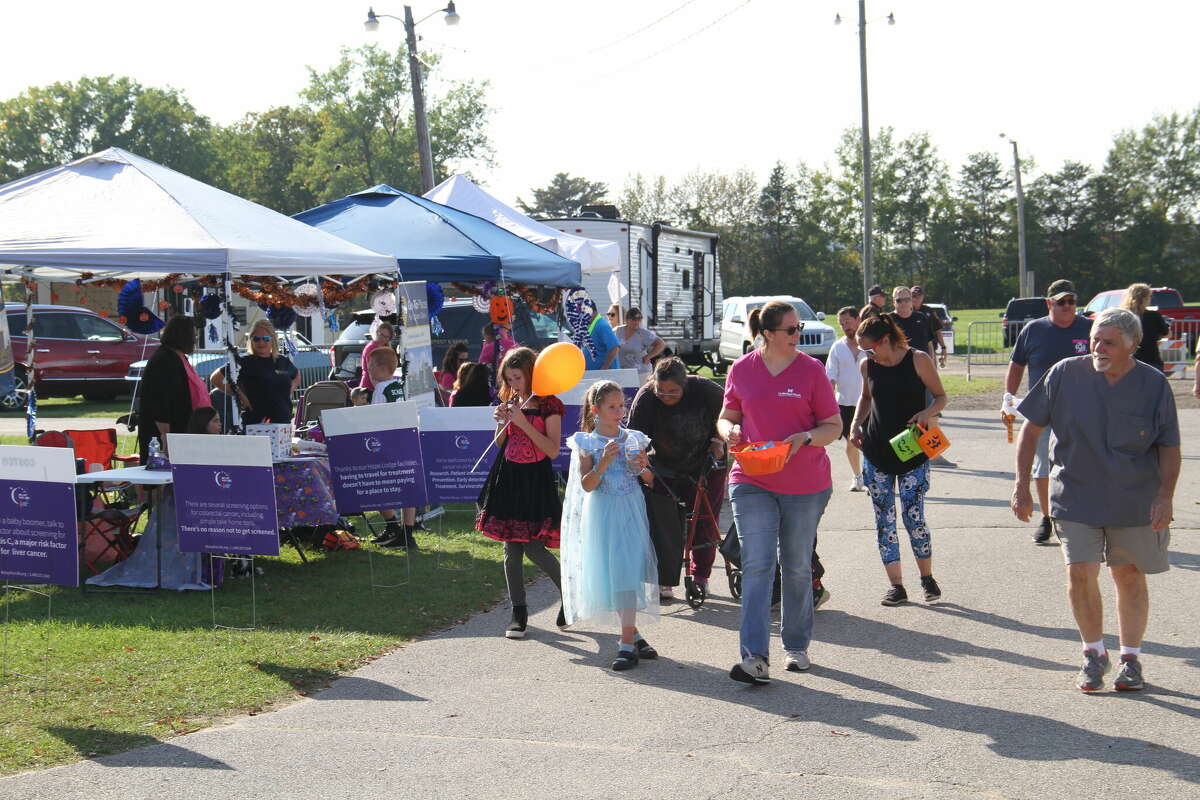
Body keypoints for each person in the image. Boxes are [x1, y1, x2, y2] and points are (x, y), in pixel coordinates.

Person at [1011, 308, 1180, 692]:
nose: (1098, 348)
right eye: (1095, 340)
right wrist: (1021, 484)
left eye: (1109, 343)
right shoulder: (1065, 374)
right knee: (1079, 571)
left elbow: (1169, 447)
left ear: (1132, 345)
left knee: (1128, 574)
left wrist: (1165, 497)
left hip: (1133, 498)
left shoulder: (1153, 384)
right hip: (1075, 495)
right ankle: (1093, 653)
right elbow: (1031, 428)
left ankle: (1131, 657)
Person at [719, 300, 841, 684]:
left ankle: (796, 645)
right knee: (757, 564)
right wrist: (730, 433)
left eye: (799, 327)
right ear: (768, 334)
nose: (797, 335)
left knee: (795, 564)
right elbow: (726, 416)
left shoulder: (811, 370)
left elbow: (833, 426)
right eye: (790, 330)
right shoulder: (742, 370)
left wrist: (805, 436)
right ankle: (754, 656)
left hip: (805, 484)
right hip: (751, 477)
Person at [850, 313, 948, 607]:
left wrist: (926, 414)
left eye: (869, 348)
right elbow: (866, 398)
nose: (865, 354)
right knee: (884, 519)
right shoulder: (867, 364)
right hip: (876, 450)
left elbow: (941, 396)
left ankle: (927, 578)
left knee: (913, 515)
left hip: (912, 449)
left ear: (885, 340)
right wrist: (856, 424)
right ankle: (896, 586)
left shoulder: (917, 360)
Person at [562, 380, 660, 671]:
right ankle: (632, 636)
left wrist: (641, 465)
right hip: (603, 512)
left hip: (630, 509)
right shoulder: (586, 442)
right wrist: (602, 463)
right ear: (597, 410)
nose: (620, 411)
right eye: (612, 407)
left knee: (627, 571)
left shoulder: (634, 438)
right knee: (616, 573)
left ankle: (628, 641)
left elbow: (650, 480)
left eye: (622, 405)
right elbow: (587, 485)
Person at [476, 347, 567, 638]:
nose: (513, 384)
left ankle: (570, 594)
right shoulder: (511, 399)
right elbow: (501, 443)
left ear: (530, 373)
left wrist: (524, 423)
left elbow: (552, 449)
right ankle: (519, 611)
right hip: (508, 476)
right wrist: (502, 421)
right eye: (509, 379)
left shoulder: (549, 405)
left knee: (533, 546)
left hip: (535, 479)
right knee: (510, 548)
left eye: (517, 377)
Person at [629, 357, 726, 601]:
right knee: (665, 523)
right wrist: (642, 466)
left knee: (705, 519)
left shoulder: (707, 391)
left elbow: (731, 414)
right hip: (664, 467)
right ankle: (665, 578)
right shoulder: (647, 397)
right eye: (661, 390)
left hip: (706, 463)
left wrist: (718, 441)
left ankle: (701, 576)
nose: (666, 396)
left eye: (673, 392)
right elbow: (634, 437)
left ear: (685, 385)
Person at [1006, 279, 1093, 545]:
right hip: (1043, 410)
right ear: (1049, 303)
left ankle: (1084, 517)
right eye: (1061, 302)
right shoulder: (1034, 330)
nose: (1068, 307)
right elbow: (1016, 365)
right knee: (1042, 466)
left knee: (1084, 464)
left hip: (1083, 409)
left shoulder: (1089, 328)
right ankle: (1048, 516)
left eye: (1072, 302)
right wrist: (1008, 399)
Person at [363, 347, 418, 548]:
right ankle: (407, 533)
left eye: (369, 367)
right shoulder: (401, 385)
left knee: (378, 486)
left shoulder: (381, 389)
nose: (367, 371)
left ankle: (393, 526)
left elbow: (375, 418)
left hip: (387, 444)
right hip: (406, 440)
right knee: (407, 488)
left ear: (382, 367)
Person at [138, 315, 208, 462]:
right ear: (184, 336)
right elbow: (159, 400)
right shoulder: (164, 360)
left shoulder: (178, 358)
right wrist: (165, 435)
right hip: (164, 432)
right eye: (193, 335)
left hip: (182, 427)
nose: (195, 339)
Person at [210, 320, 299, 425]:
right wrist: (239, 394)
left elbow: (297, 376)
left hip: (283, 421)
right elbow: (216, 378)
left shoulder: (282, 361)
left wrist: (288, 391)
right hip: (255, 422)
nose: (261, 343)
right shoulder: (244, 361)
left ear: (273, 340)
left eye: (266, 339)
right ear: (251, 340)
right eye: (256, 339)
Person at [825, 305, 866, 492]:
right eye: (842, 324)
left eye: (848, 322)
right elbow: (830, 377)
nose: (846, 327)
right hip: (846, 404)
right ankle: (858, 477)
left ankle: (873, 477)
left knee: (871, 442)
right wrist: (828, 402)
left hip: (871, 403)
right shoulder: (837, 347)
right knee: (851, 442)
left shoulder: (871, 344)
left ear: (858, 320)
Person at [1122, 283, 1170, 373]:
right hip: (1151, 360)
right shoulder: (1154, 315)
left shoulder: (1122, 316)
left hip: (1126, 360)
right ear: (1147, 298)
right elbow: (1167, 334)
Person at [614, 307, 666, 379]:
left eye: (639, 319)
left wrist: (649, 356)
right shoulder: (618, 330)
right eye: (634, 319)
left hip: (641, 373)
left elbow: (661, 344)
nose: (637, 321)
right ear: (627, 320)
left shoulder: (643, 333)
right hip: (623, 372)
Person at [910, 285, 947, 367]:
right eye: (913, 295)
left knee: (931, 375)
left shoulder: (928, 311)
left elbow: (937, 329)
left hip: (929, 350)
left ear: (923, 297)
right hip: (911, 350)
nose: (915, 298)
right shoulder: (906, 311)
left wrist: (943, 347)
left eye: (918, 295)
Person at [582, 299, 620, 371]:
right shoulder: (591, 325)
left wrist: (604, 369)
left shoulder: (602, 325)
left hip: (605, 377)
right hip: (593, 375)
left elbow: (615, 348)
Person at [358, 321, 394, 392]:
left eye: (387, 337)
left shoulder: (385, 348)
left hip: (381, 386)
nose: (383, 338)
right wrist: (379, 391)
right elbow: (372, 373)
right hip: (369, 388)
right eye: (381, 335)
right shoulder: (371, 348)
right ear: (377, 332)